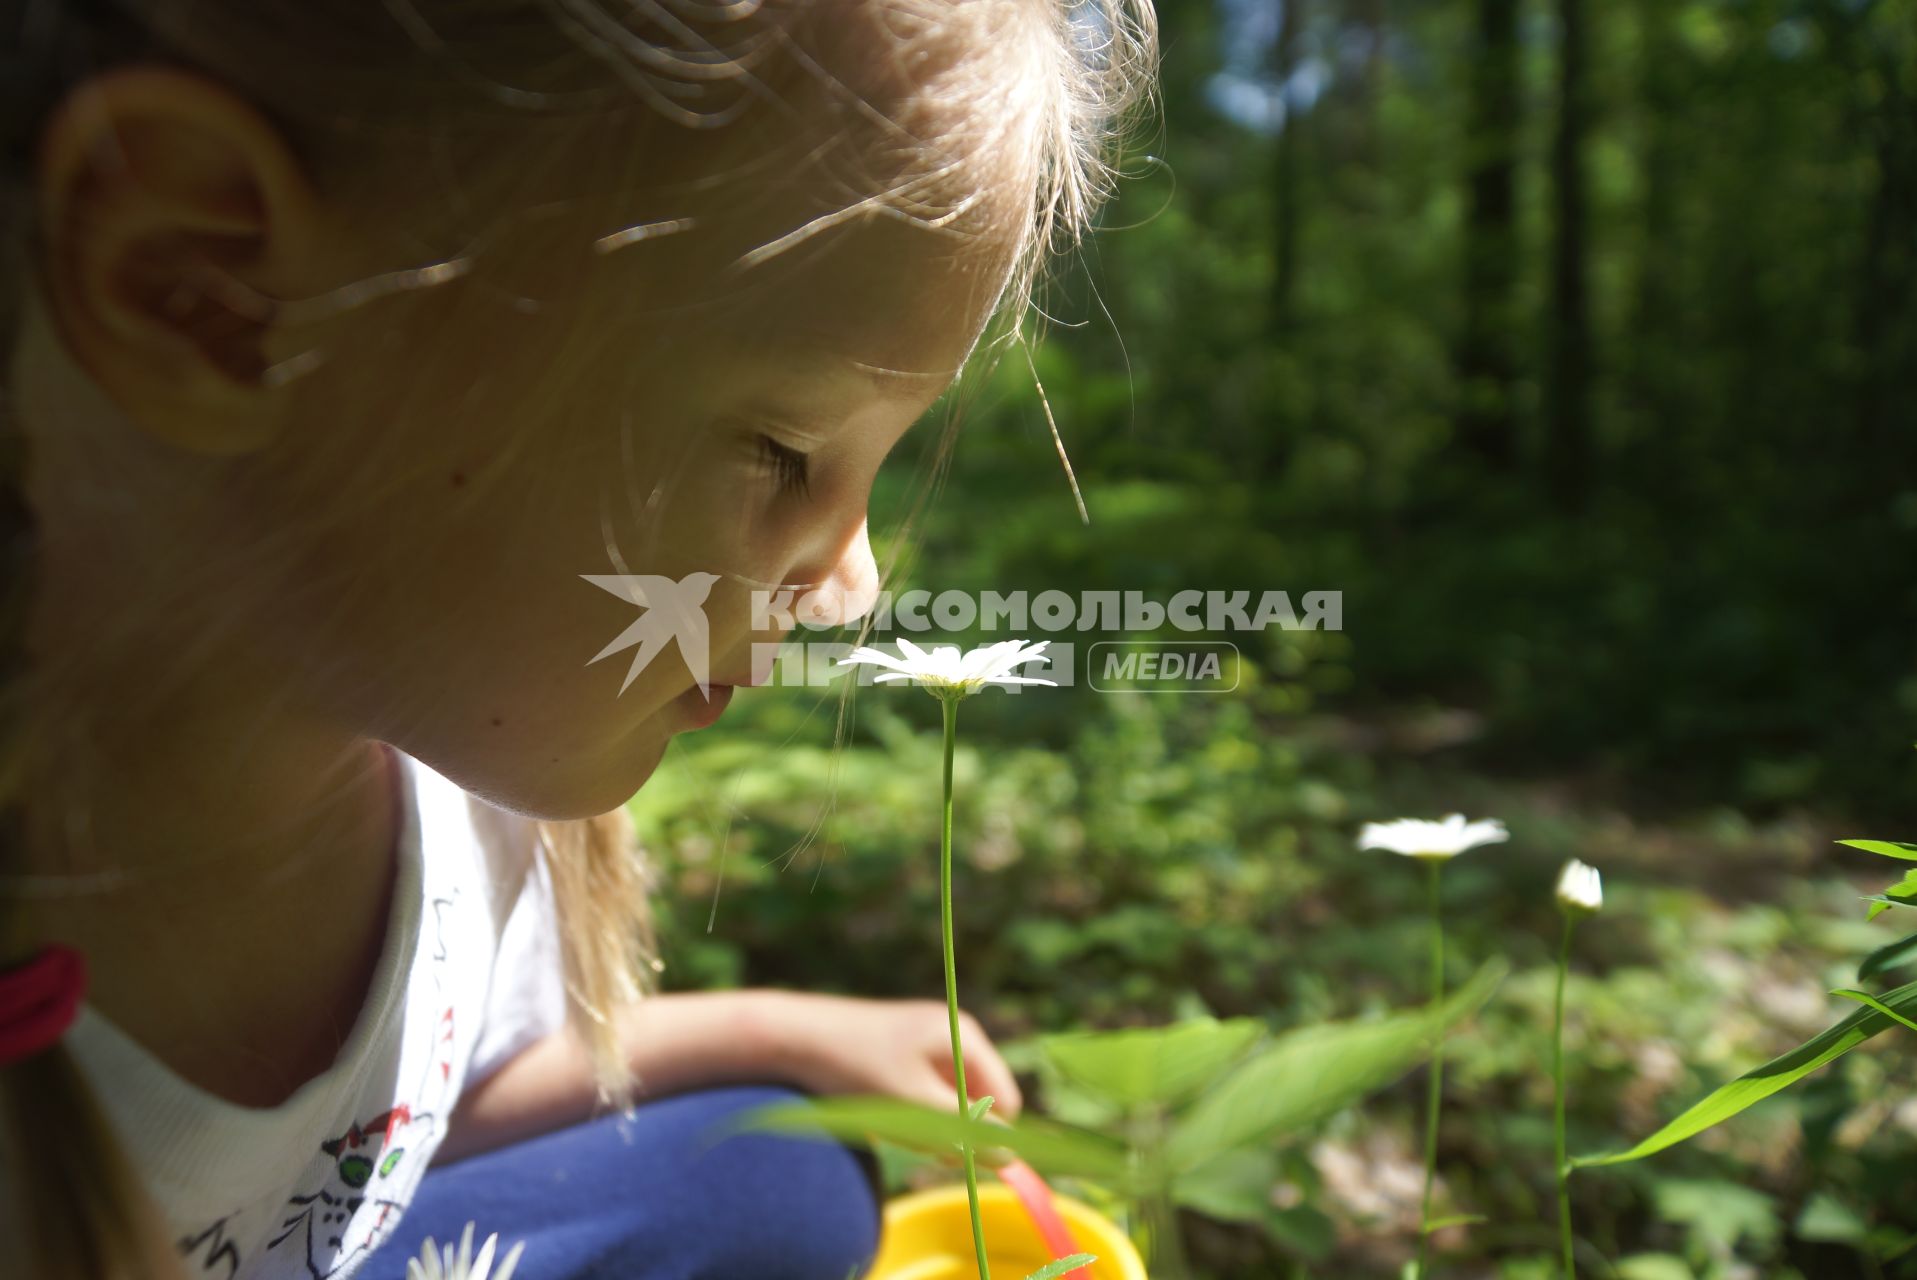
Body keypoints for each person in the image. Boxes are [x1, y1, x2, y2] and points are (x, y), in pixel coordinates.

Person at [0, 1, 1155, 1276]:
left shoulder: (457, 808)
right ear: (210, 292)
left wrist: (771, 1030)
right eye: (783, 450)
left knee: (780, 1171)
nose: (851, 588)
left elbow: (404, 1131)